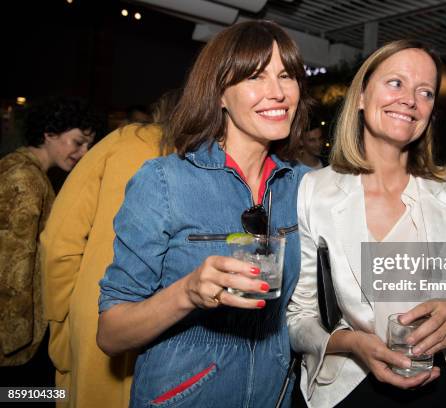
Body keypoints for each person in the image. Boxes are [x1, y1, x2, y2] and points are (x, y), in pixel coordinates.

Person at [96, 21, 311, 407]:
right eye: (255, 76)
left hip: (275, 397)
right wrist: (188, 292)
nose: (277, 92)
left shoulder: (305, 186)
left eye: (287, 76)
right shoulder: (164, 181)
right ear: (219, 95)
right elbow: (111, 334)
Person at [287, 39, 446, 408]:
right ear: (360, 95)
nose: (410, 100)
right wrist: (351, 343)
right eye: (395, 83)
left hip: (441, 387)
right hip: (350, 386)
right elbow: (300, 317)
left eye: (426, 92)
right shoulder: (315, 190)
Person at [40, 91, 179, 408]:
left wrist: (60, 325)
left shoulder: (126, 142)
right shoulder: (216, 161)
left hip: (100, 315)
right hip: (173, 328)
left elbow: (59, 243)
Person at [0, 97, 97, 382]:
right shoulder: (26, 178)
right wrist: (17, 338)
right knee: (30, 396)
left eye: (88, 145)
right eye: (78, 142)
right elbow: (13, 266)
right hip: (16, 338)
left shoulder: (20, 166)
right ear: (49, 133)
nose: (83, 152)